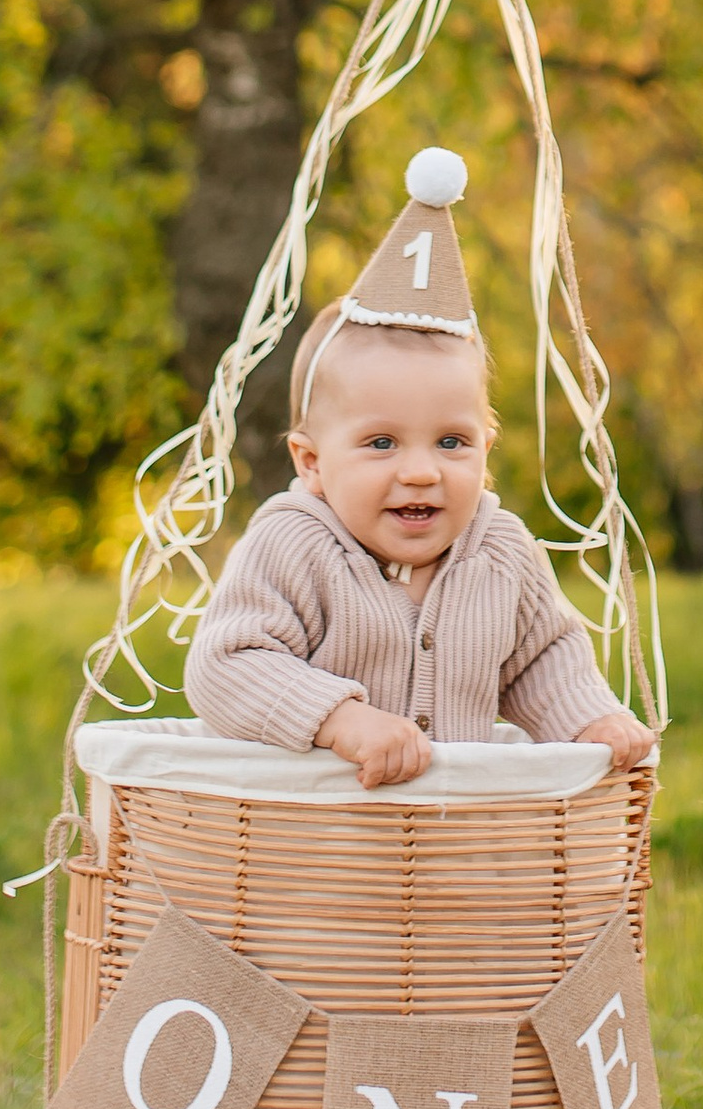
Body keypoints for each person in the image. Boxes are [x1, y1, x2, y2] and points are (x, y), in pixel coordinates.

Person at [185, 147, 659, 789]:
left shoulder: (501, 552)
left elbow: (543, 660)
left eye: (451, 442)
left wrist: (590, 721)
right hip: (315, 838)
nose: (420, 472)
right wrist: (341, 720)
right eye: (381, 444)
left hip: (449, 841)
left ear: (487, 448)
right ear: (312, 462)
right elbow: (228, 666)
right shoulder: (292, 544)